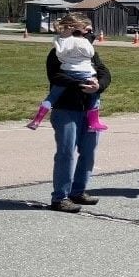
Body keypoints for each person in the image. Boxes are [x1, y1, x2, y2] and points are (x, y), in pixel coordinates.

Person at [45, 16, 111, 213]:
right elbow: (56, 76)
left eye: (90, 31)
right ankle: (60, 197)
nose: (89, 35)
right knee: (66, 153)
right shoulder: (59, 52)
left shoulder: (90, 54)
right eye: (84, 31)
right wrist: (80, 85)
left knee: (89, 151)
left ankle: (78, 191)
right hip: (66, 109)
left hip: (89, 110)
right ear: (72, 31)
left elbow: (105, 72)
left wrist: (98, 86)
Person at [27, 14, 108, 132]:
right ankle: (93, 122)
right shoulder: (84, 43)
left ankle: (37, 119)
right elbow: (90, 53)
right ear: (77, 29)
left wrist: (100, 84)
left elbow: (104, 72)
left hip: (67, 70)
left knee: (51, 97)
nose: (90, 34)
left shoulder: (60, 42)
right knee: (94, 97)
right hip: (81, 80)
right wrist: (83, 84)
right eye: (87, 30)